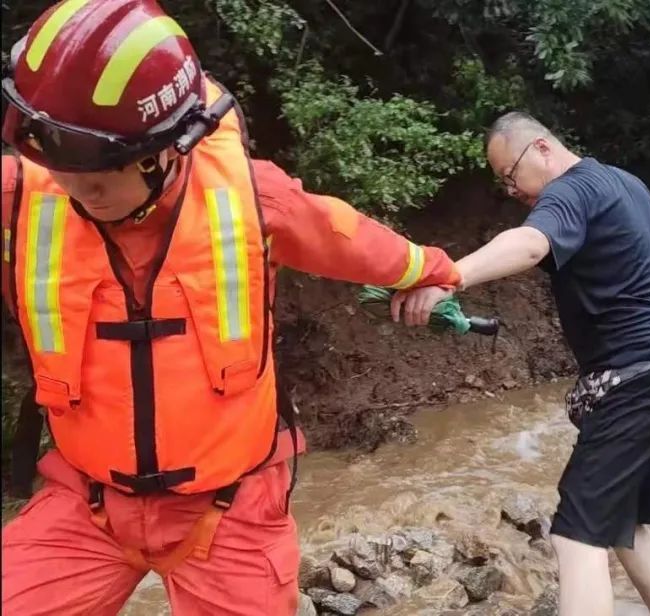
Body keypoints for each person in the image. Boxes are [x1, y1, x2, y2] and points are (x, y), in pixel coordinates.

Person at [0, 2, 461, 613]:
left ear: (167, 148)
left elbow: (353, 240)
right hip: (85, 503)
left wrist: (435, 271)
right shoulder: (21, 198)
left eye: (102, 170)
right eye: (59, 165)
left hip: (231, 511)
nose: (80, 188)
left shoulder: (252, 197)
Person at [393, 112, 650, 616]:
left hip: (633, 383)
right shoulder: (624, 181)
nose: (511, 191)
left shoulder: (568, 192)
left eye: (510, 176)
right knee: (626, 523)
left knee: (577, 538)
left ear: (541, 150)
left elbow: (531, 244)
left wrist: (448, 277)